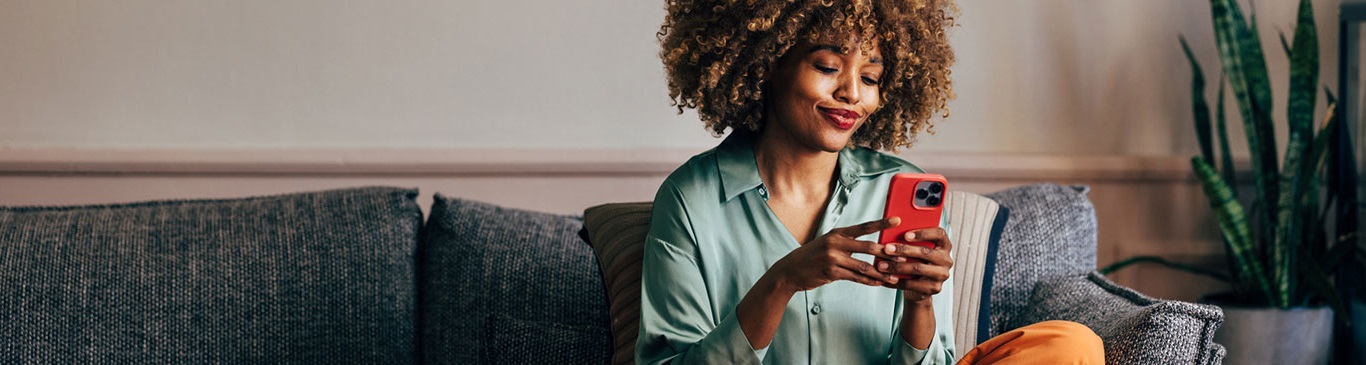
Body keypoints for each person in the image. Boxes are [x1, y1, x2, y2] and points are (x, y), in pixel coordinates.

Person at [636, 1, 1106, 364]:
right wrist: (782, 281)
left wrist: (920, 303)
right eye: (826, 67)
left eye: (871, 76)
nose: (853, 95)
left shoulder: (902, 187)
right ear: (768, 63)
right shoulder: (691, 199)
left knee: (1069, 344)